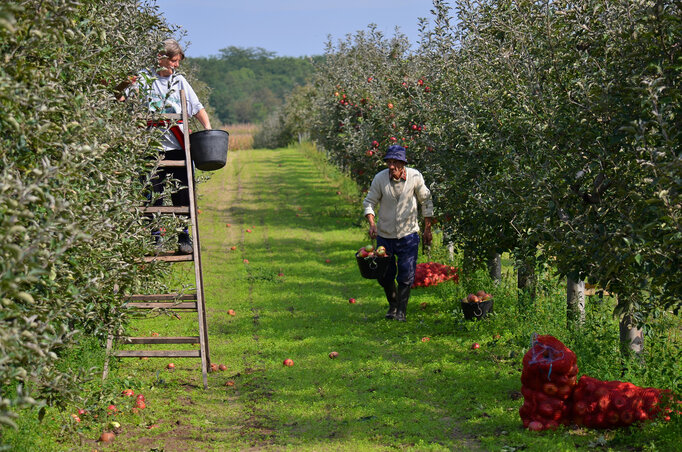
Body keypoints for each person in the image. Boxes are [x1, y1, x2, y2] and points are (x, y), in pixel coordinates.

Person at [121, 39, 211, 254]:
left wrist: (207, 128)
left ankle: (183, 238)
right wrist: (123, 85)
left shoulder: (179, 82)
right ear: (161, 58)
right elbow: (121, 98)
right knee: (153, 195)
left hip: (178, 147)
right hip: (151, 149)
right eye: (173, 60)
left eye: (177, 61)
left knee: (181, 194)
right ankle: (155, 239)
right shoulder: (143, 79)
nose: (176, 65)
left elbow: (196, 106)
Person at [363, 145, 434, 321]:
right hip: (385, 235)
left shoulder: (415, 177)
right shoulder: (380, 179)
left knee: (406, 273)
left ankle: (401, 310)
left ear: (403, 164)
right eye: (389, 162)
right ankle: (393, 304)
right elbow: (369, 202)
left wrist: (427, 228)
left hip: (408, 235)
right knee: (385, 274)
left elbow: (426, 201)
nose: (392, 166)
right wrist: (372, 223)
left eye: (395, 162)